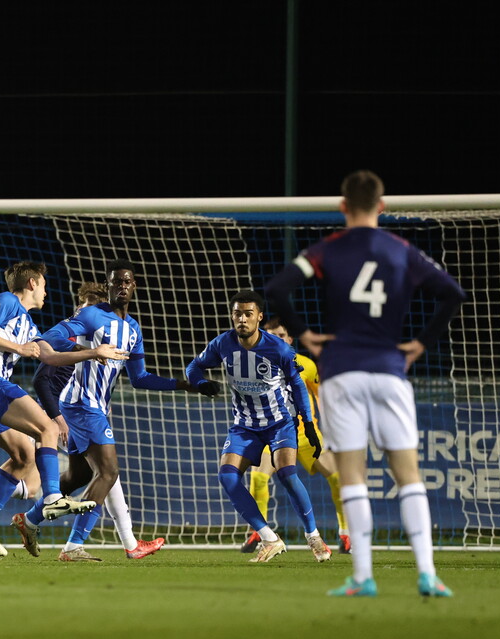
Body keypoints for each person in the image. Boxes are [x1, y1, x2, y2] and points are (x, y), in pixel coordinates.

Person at [265, 169, 467, 597]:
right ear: (383, 206)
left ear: (342, 207)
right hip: (390, 371)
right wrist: (419, 344)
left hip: (341, 373)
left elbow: (279, 288)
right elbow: (452, 293)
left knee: (353, 475)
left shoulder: (326, 249)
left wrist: (306, 333)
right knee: (408, 474)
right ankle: (428, 574)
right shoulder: (402, 250)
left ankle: (363, 576)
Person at [16, 259, 202, 562]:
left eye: (127, 282)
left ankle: (31, 519)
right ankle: (73, 546)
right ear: (109, 286)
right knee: (109, 472)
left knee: (79, 477)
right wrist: (87, 351)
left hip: (88, 406)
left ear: (134, 286)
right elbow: (49, 337)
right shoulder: (92, 315)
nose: (122, 287)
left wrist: (183, 385)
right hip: (83, 405)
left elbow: (139, 378)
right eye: (116, 282)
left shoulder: (133, 329)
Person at [0, 262, 128, 556]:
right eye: (45, 285)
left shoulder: (29, 325)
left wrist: (92, 352)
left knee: (23, 456)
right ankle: (51, 497)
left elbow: (49, 357)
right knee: (47, 428)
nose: (47, 292)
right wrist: (18, 349)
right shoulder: (8, 300)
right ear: (33, 283)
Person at [186, 290, 331, 563]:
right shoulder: (222, 345)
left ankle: (313, 535)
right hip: (245, 426)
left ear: (259, 317)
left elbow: (298, 385)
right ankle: (268, 538)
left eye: (248, 314)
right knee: (227, 477)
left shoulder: (277, 348)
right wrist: (200, 382)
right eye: (237, 314)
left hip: (280, 423)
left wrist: (309, 425)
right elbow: (193, 366)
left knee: (287, 473)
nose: (242, 319)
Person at [241, 317, 350, 555]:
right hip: (273, 435)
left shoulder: (306, 365)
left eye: (280, 336)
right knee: (258, 479)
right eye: (270, 335)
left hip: (304, 435)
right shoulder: (253, 363)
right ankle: (261, 533)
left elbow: (322, 396)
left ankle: (346, 533)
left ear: (289, 339)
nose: (276, 340)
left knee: (338, 478)